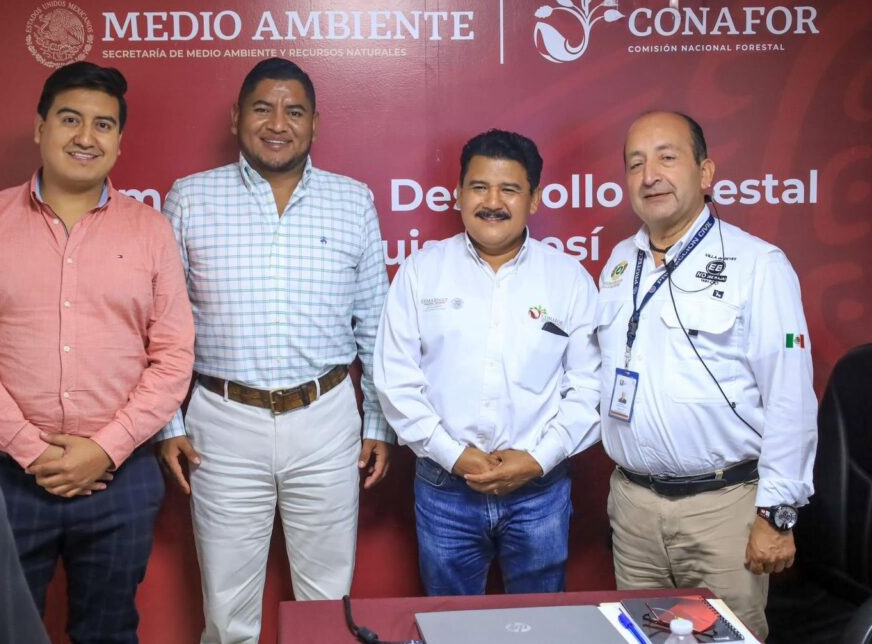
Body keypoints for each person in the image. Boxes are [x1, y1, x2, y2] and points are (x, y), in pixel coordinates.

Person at [0, 62, 195, 644]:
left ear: (119, 141)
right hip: (9, 475)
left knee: (109, 631)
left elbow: (174, 356)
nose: (86, 137)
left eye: (103, 125)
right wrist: (32, 451)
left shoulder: (150, 231)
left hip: (120, 477)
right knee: (2, 629)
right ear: (40, 127)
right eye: (70, 119)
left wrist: (105, 448)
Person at [154, 57, 392, 643]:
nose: (278, 123)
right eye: (262, 108)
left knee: (326, 605)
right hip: (222, 423)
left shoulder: (352, 201)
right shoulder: (190, 199)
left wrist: (378, 424)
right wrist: (169, 425)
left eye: (294, 111)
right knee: (227, 612)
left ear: (315, 123)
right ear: (237, 117)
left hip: (326, 418)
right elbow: (161, 325)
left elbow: (376, 324)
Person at [596, 110, 817, 639]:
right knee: (643, 636)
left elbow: (790, 397)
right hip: (634, 509)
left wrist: (777, 514)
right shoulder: (620, 263)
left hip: (722, 511)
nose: (650, 175)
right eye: (636, 164)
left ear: (705, 172)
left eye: (667, 158)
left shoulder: (757, 265)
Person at [374, 129, 601, 595]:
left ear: (534, 199)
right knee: (449, 623)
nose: (492, 202)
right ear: (458, 194)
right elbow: (396, 382)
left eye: (509, 189)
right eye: (479, 187)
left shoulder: (569, 279)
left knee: (540, 623)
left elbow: (589, 387)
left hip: (539, 492)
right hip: (444, 488)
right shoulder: (421, 273)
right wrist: (454, 456)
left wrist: (536, 460)